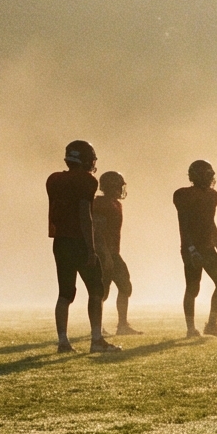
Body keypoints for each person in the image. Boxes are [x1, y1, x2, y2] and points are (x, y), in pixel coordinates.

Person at [47, 141, 120, 353]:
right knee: (96, 291)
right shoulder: (86, 181)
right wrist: (91, 248)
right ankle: (96, 340)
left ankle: (63, 341)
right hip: (79, 240)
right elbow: (84, 214)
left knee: (65, 293)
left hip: (60, 241)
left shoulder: (54, 179)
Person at [174, 160, 217, 338]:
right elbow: (183, 224)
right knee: (193, 287)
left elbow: (211, 223)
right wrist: (191, 249)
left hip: (207, 247)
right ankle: (191, 328)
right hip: (193, 246)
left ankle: (212, 324)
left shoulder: (213, 195)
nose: (210, 179)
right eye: (206, 175)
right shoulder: (183, 195)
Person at [91, 171, 142, 336]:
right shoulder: (100, 204)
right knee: (102, 292)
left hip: (113, 252)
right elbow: (97, 231)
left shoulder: (115, 204)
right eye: (119, 186)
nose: (121, 189)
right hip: (103, 252)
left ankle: (122, 325)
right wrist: (104, 254)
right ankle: (97, 327)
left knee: (125, 286)